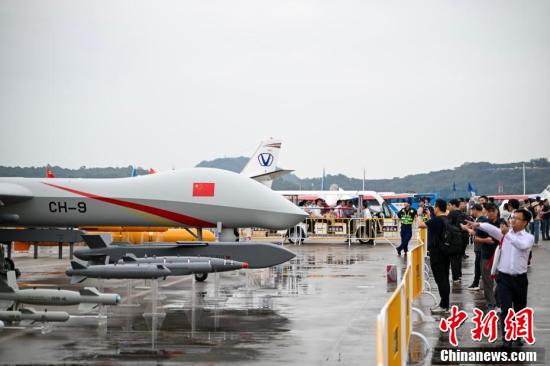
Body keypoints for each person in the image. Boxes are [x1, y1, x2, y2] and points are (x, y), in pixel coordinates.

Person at [466, 209, 534, 347]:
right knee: (506, 309)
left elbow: (521, 246)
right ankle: (506, 338)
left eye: (517, 218)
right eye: (512, 217)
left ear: (525, 222)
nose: (513, 220)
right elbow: (492, 229)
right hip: (504, 278)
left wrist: (506, 235)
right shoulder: (505, 234)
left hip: (520, 279)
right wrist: (479, 225)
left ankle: (519, 335)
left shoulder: (528, 237)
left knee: (520, 309)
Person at [418, 199, 450, 314]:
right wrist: (429, 216)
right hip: (445, 251)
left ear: (437, 208)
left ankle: (444, 306)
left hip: (437, 253)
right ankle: (444, 304)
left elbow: (420, 224)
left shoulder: (436, 220)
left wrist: (419, 214)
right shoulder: (446, 219)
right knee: (445, 278)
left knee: (441, 279)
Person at [464, 204, 485, 291]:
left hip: (480, 247)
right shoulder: (479, 219)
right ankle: (477, 283)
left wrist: (467, 229)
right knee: (478, 266)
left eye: (472, 210)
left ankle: (476, 284)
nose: (472, 212)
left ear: (476, 210)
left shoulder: (481, 220)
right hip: (479, 247)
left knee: (479, 266)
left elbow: (476, 233)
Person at [447, 199, 466, 282]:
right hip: (463, 237)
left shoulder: (452, 213)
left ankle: (455, 277)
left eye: (449, 205)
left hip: (454, 239)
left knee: (454, 258)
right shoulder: (462, 213)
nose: (448, 207)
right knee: (459, 257)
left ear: (454, 205)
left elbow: (448, 225)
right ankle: (459, 275)